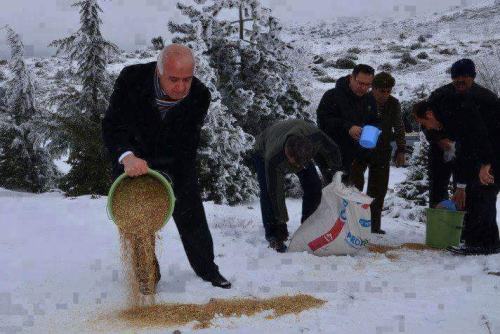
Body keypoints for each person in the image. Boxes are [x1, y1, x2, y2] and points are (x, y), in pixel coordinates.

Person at [102, 44, 231, 293]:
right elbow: (112, 125)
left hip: (175, 160)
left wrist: (168, 179)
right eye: (173, 79)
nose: (181, 87)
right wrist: (127, 157)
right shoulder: (132, 79)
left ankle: (208, 269)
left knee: (191, 211)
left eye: (187, 79)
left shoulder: (200, 95)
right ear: (159, 71)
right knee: (137, 217)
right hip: (132, 159)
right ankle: (146, 274)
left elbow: (187, 145)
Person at [413, 99, 500, 255]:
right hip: (481, 155)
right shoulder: (447, 121)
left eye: (424, 123)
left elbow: (481, 139)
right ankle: (477, 241)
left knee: (483, 192)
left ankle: (486, 244)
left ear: (429, 114)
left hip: (492, 151)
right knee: (474, 192)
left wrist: (486, 164)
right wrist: (460, 186)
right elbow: (462, 156)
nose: (427, 128)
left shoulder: (456, 117)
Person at [252, 119, 342, 252]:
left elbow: (333, 151)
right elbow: (275, 193)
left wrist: (335, 175)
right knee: (267, 191)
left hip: (299, 144)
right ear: (287, 153)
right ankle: (273, 234)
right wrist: (281, 222)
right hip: (262, 150)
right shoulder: (274, 158)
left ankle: (309, 225)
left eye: (300, 164)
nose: (297, 167)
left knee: (313, 185)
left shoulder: (315, 137)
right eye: (294, 163)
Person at [349, 72, 406, 234]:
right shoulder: (362, 100)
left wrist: (401, 149)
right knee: (355, 187)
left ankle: (373, 226)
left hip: (382, 151)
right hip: (360, 150)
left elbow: (399, 126)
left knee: (378, 190)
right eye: (382, 91)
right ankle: (352, 223)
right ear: (373, 88)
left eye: (388, 91)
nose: (385, 95)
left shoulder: (394, 104)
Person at [316, 64, 379, 177]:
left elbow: (374, 120)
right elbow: (323, 122)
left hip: (356, 156)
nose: (364, 88)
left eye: (368, 85)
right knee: (335, 191)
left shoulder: (370, 99)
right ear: (351, 78)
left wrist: (373, 131)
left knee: (351, 191)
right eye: (360, 83)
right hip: (330, 154)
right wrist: (348, 127)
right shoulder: (332, 95)